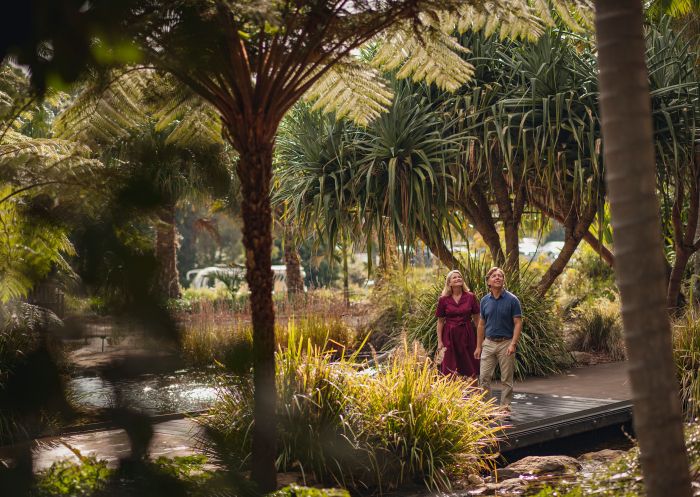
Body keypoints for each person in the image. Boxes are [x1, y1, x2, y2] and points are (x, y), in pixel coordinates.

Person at [474, 267, 522, 410]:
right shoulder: (484, 301)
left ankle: (505, 407)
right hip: (488, 343)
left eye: (500, 276)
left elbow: (518, 323)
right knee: (484, 377)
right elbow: (481, 324)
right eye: (494, 276)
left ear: (503, 280)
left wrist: (513, 344)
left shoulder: (512, 300)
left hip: (506, 343)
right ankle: (486, 408)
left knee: (506, 379)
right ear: (488, 281)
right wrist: (478, 346)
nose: (498, 278)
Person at [435, 269, 481, 379]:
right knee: (449, 368)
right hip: (449, 336)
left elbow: (477, 320)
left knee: (470, 367)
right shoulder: (443, 300)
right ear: (449, 283)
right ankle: (453, 394)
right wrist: (440, 342)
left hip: (467, 334)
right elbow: (440, 322)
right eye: (454, 277)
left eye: (459, 277)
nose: (458, 278)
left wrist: (480, 341)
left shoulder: (470, 297)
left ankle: (474, 394)